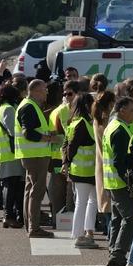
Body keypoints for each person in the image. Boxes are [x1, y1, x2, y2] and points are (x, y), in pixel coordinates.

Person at [104, 97, 133, 266]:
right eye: (132, 110)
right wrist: (129, 182)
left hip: (112, 181)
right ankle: (117, 255)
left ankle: (114, 251)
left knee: (117, 218)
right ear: (121, 111)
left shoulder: (116, 126)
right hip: (120, 182)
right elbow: (119, 161)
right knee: (132, 218)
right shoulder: (119, 130)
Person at [16, 79, 56, 238]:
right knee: (36, 192)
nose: (47, 92)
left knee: (30, 190)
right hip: (35, 155)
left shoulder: (29, 105)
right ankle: (34, 228)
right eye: (45, 89)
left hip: (32, 155)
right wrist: (49, 139)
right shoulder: (29, 106)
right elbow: (29, 133)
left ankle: (30, 225)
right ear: (36, 91)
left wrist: (47, 136)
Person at [62, 92, 101, 248]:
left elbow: (66, 145)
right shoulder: (84, 123)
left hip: (81, 170)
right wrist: (68, 162)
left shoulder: (74, 122)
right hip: (87, 170)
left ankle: (87, 232)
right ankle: (80, 235)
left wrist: (66, 163)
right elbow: (71, 146)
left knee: (88, 202)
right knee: (85, 202)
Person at [0, 84, 25, 229]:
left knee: (10, 185)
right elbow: (13, 130)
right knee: (11, 186)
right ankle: (8, 216)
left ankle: (10, 215)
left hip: (3, 154)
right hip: (9, 154)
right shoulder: (8, 109)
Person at [48, 81, 80, 225]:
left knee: (59, 189)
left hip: (58, 156)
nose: (67, 96)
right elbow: (66, 134)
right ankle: (64, 220)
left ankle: (58, 219)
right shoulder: (65, 110)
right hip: (63, 157)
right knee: (64, 189)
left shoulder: (58, 110)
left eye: (70, 94)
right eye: (65, 94)